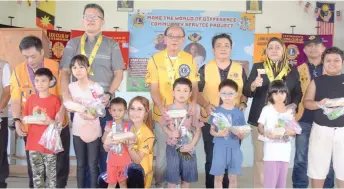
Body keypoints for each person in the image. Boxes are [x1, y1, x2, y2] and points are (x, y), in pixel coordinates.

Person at [60, 3, 125, 186]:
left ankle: (103, 185)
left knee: (103, 151)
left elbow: (118, 73)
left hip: (102, 106)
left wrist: (109, 94)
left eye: (94, 16)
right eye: (87, 16)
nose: (90, 19)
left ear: (102, 21)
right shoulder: (73, 43)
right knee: (84, 156)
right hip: (79, 107)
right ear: (82, 20)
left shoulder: (112, 44)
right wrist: (66, 98)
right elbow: (65, 72)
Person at [11, 36, 69, 188]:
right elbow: (16, 99)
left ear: (42, 51)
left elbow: (65, 95)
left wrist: (62, 112)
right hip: (33, 129)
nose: (29, 60)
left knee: (58, 166)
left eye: (33, 56)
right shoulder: (18, 71)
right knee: (35, 167)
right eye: (26, 57)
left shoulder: (56, 67)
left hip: (56, 126)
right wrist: (17, 120)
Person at [243, 37, 302, 188]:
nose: (274, 50)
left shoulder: (292, 70)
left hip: (282, 122)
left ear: (283, 51)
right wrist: (254, 85)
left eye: (278, 47)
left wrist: (294, 105)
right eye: (271, 47)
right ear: (266, 51)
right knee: (260, 158)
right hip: (260, 120)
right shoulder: (258, 67)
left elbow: (297, 92)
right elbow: (246, 91)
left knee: (277, 158)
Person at [145, 24, 199, 187]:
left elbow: (194, 86)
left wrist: (194, 103)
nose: (174, 39)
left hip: (185, 116)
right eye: (171, 36)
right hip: (164, 115)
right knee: (163, 155)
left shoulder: (189, 59)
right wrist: (161, 108)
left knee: (184, 152)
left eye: (178, 37)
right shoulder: (154, 59)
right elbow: (153, 88)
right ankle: (161, 183)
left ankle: (181, 183)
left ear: (183, 39)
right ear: (165, 38)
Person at [197, 33, 248, 188]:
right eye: (219, 45)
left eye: (226, 45)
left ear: (231, 48)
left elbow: (245, 92)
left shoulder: (239, 69)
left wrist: (243, 104)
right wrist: (205, 105)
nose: (223, 48)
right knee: (212, 159)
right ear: (213, 49)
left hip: (234, 122)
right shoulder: (204, 68)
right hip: (210, 121)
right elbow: (196, 93)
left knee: (230, 159)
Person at [292, 35, 335, 188]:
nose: (312, 48)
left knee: (327, 158)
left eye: (316, 45)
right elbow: (294, 93)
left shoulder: (331, 68)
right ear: (304, 49)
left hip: (327, 121)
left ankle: (327, 186)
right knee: (301, 158)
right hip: (304, 119)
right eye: (309, 45)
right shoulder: (298, 70)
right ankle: (299, 186)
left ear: (323, 48)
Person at [303, 47, 344, 188]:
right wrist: (319, 104)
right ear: (323, 62)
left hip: (343, 132)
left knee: (343, 169)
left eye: (336, 60)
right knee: (317, 169)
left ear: (342, 62)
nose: (332, 63)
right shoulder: (317, 81)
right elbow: (306, 103)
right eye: (328, 60)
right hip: (321, 130)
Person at [67, 54, 104, 188]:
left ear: (88, 68)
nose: (78, 70)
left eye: (81, 67)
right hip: (77, 131)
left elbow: (101, 110)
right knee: (80, 164)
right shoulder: (71, 87)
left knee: (93, 164)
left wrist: (88, 113)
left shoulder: (96, 87)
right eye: (74, 67)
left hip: (93, 130)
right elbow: (68, 106)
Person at [23, 68, 62, 188]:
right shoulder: (31, 99)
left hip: (49, 143)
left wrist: (50, 122)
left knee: (51, 175)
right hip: (33, 143)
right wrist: (24, 120)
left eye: (44, 81)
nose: (40, 84)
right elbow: (25, 117)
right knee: (37, 175)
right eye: (37, 80)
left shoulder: (55, 100)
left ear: (51, 82)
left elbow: (59, 124)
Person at [162, 78, 203, 188]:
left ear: (190, 93)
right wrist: (170, 133)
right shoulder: (167, 109)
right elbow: (163, 127)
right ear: (173, 92)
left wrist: (191, 145)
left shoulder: (193, 110)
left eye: (185, 90)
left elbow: (198, 130)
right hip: (172, 147)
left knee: (186, 179)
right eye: (178, 90)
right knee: (172, 179)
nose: (182, 93)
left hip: (187, 147)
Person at [257, 80, 299, 188]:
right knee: (270, 183)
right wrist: (264, 132)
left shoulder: (289, 111)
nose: (279, 96)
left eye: (282, 93)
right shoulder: (267, 109)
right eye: (275, 93)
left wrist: (291, 132)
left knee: (281, 184)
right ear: (271, 95)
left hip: (285, 152)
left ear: (286, 94)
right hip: (271, 152)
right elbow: (260, 125)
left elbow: (294, 129)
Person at [208, 79, 246, 189]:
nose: (227, 96)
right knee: (218, 177)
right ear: (219, 94)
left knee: (233, 178)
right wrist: (218, 134)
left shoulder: (239, 113)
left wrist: (240, 135)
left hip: (234, 148)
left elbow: (242, 133)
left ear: (236, 94)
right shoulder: (216, 112)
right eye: (224, 93)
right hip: (219, 148)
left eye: (230, 93)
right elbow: (211, 131)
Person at [127, 96, 155, 188]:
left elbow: (137, 160)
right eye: (132, 108)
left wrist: (130, 147)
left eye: (140, 109)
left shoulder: (148, 135)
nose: (135, 113)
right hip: (128, 173)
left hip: (141, 177)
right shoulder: (129, 128)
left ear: (146, 113)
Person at [102, 97, 130, 188]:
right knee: (111, 183)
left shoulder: (128, 125)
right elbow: (103, 140)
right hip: (111, 161)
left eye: (120, 110)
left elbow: (131, 141)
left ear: (125, 111)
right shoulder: (108, 124)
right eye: (114, 110)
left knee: (122, 183)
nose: (116, 113)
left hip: (124, 161)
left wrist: (124, 137)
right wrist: (106, 132)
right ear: (110, 111)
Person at [0, 60, 11, 188]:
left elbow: (7, 91)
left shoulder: (3, 66)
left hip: (0, 115)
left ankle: (1, 179)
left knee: (0, 148)